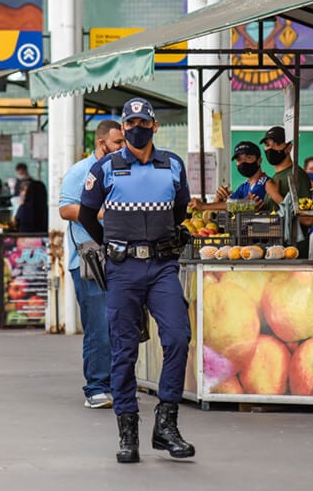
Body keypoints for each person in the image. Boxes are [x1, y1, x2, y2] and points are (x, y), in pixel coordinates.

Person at [79, 98, 195, 464]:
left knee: (178, 336)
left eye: (142, 122)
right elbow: (85, 214)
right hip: (123, 268)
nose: (135, 128)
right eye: (129, 123)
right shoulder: (106, 168)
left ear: (154, 126)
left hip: (162, 266)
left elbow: (180, 211)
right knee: (124, 348)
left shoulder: (172, 165)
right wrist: (114, 245)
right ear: (123, 127)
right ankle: (127, 431)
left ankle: (166, 424)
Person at [59, 119, 125, 410]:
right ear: (102, 144)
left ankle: (117, 384)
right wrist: (102, 213)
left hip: (121, 257)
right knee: (98, 326)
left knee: (119, 326)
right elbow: (66, 208)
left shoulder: (124, 170)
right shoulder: (80, 172)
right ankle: (96, 387)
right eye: (118, 143)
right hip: (89, 259)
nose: (124, 147)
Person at [260, 126, 313, 256]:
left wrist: (275, 195)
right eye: (267, 144)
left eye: (277, 144)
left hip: (292, 254)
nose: (270, 148)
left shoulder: (296, 176)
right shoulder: (277, 176)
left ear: (289, 147)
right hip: (276, 252)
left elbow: (307, 219)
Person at [187, 141, 270, 212]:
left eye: (248, 157)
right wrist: (219, 198)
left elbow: (242, 204)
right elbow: (228, 206)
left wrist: (203, 206)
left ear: (259, 161)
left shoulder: (265, 184)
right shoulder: (244, 186)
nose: (243, 162)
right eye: (239, 159)